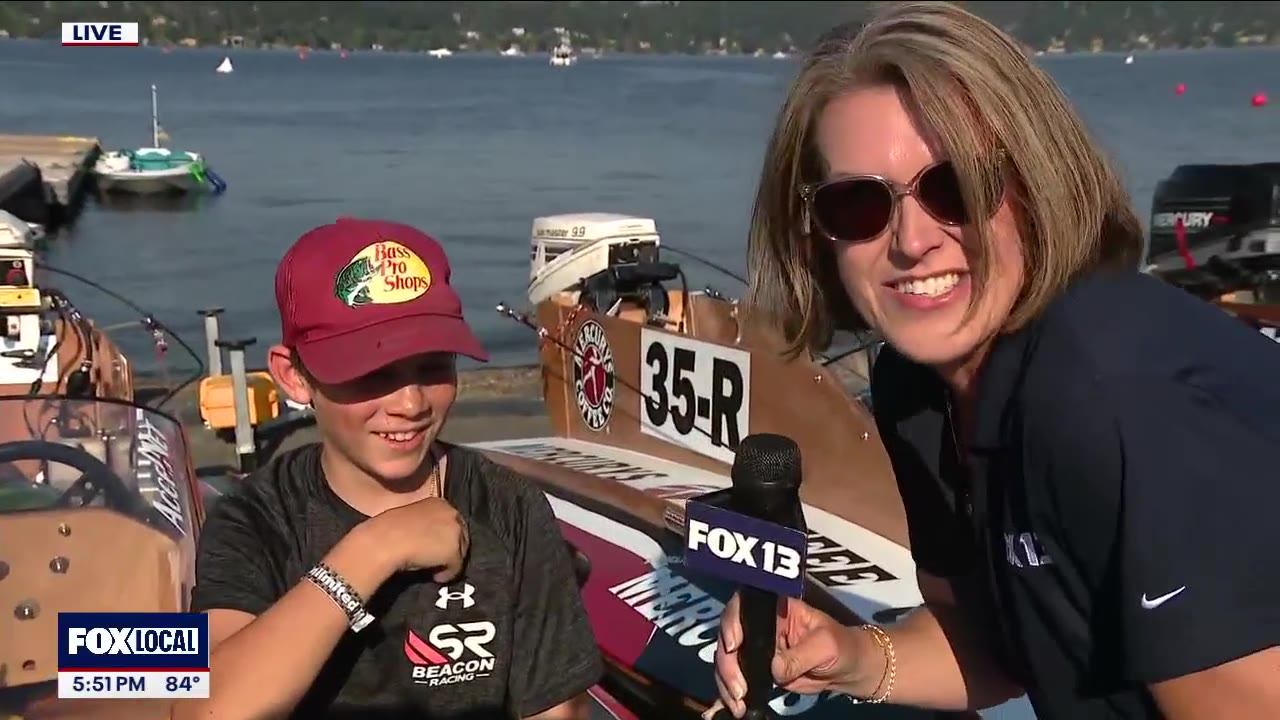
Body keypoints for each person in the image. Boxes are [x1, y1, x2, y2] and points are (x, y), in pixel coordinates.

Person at [712, 3, 1280, 720]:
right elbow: (996, 646)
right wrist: (851, 656)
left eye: (957, 189)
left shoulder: (1111, 398)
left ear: (1038, 186)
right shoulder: (920, 391)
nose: (912, 241)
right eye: (858, 205)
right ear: (815, 235)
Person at [178, 218, 603, 720]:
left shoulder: (510, 507)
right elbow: (208, 710)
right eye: (372, 373)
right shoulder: (254, 520)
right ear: (294, 378)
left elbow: (554, 710)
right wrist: (376, 548)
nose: (410, 402)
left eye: (433, 367)